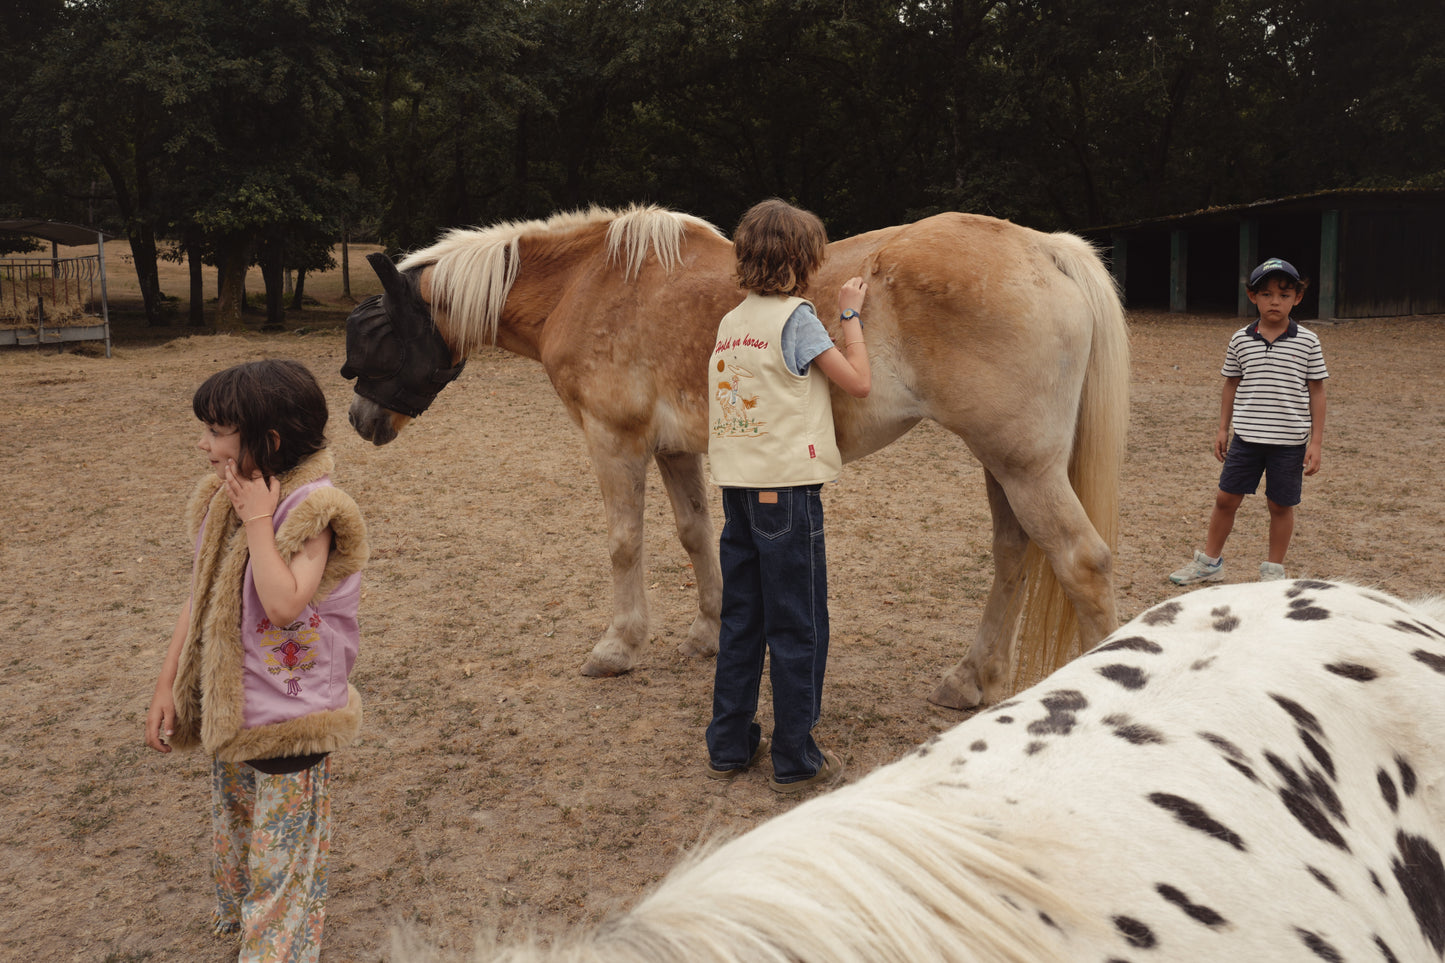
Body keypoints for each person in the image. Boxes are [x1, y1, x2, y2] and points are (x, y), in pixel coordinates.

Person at [145, 359, 369, 962]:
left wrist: (258, 522)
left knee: (283, 859)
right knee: (241, 833)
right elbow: (203, 591)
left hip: (292, 718)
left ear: (267, 441)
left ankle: (276, 951)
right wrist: (169, 683)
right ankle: (243, 922)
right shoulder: (227, 498)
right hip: (237, 707)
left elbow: (282, 604)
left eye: (218, 430)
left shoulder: (314, 508)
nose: (204, 443)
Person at [704, 198, 871, 793]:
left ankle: (728, 742)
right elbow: (858, 384)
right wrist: (849, 316)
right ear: (805, 261)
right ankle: (796, 756)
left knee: (742, 618)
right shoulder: (797, 319)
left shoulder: (731, 323)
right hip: (786, 495)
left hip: (738, 491)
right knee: (799, 623)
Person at [1169, 258, 1328, 585]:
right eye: (1266, 294)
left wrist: (1316, 441)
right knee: (1225, 499)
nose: (1274, 301)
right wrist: (1223, 428)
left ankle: (1273, 572)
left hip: (1289, 442)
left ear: (1297, 298)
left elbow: (1317, 392)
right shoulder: (1240, 339)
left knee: (1280, 506)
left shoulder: (1308, 341)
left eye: (1284, 295)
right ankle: (1210, 563)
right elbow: (1231, 384)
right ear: (1252, 296)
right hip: (1246, 439)